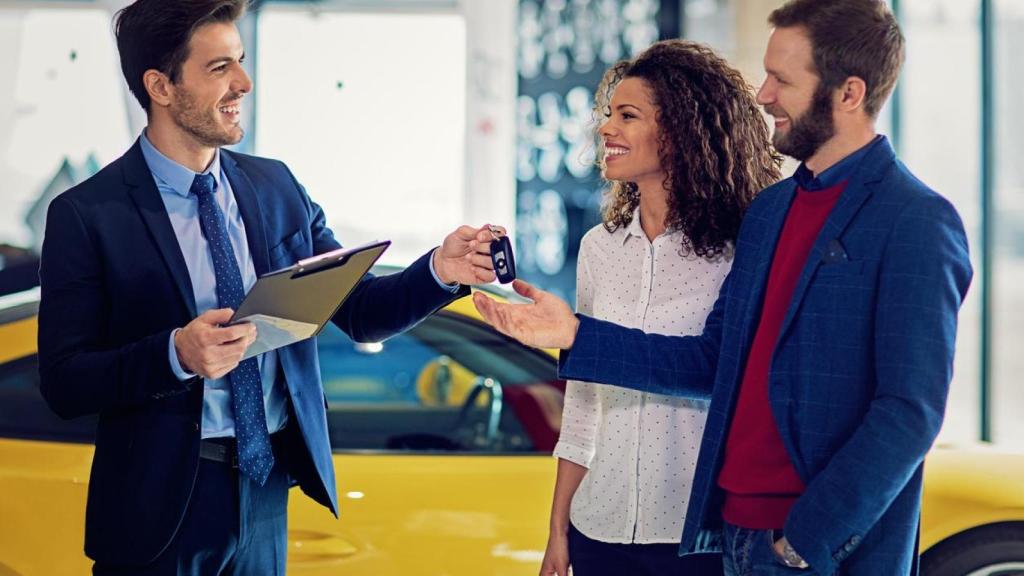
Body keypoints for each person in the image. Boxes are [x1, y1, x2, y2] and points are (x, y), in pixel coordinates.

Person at [475, 1, 973, 574]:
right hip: (730, 533)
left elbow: (909, 412)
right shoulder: (771, 213)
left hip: (811, 549)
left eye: (782, 79)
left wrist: (806, 540)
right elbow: (711, 361)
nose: (763, 95)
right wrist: (573, 333)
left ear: (849, 93)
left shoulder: (916, 220)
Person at [36, 1, 500, 574]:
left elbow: (359, 312)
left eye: (242, 62)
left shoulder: (275, 186)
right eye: (219, 68)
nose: (243, 83)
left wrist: (440, 270)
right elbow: (64, 382)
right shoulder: (87, 214)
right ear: (159, 85)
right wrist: (174, 354)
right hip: (156, 507)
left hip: (264, 486)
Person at [540, 40, 781, 576]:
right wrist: (558, 533)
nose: (606, 129)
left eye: (627, 116)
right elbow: (582, 407)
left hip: (698, 540)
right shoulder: (598, 249)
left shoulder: (741, 249)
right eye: (609, 115)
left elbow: (730, 379)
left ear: (680, 130)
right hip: (597, 529)